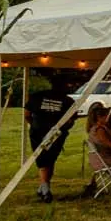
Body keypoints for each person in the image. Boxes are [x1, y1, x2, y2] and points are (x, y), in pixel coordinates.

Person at [25, 73, 75, 203]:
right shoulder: (68, 101)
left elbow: (27, 115)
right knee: (48, 160)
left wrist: (35, 125)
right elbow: (70, 121)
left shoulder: (37, 96)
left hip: (38, 131)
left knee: (43, 160)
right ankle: (45, 188)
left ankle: (44, 187)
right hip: (55, 134)